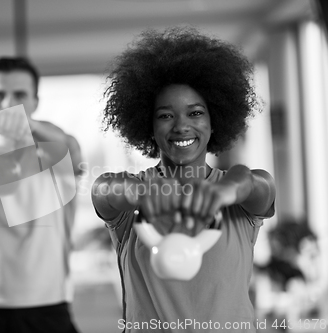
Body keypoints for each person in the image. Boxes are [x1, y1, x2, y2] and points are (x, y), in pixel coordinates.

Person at [91, 27, 276, 332]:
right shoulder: (131, 204)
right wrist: (143, 194)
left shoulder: (239, 200)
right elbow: (103, 190)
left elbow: (258, 183)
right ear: (148, 126)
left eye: (195, 113)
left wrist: (225, 192)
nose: (181, 126)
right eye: (165, 116)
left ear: (214, 121)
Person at [0, 57, 83, 333]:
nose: (8, 102)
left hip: (48, 305)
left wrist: (28, 125)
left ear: (35, 101)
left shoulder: (56, 156)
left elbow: (73, 149)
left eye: (19, 95)